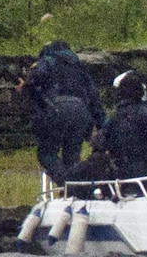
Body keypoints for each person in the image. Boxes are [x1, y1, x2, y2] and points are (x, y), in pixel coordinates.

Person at [17, 40, 106, 186]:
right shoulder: (80, 68)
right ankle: (76, 189)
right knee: (72, 157)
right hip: (81, 112)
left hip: (57, 109)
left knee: (47, 153)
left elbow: (36, 77)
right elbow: (95, 100)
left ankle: (66, 183)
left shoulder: (47, 60)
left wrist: (26, 86)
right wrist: (103, 127)